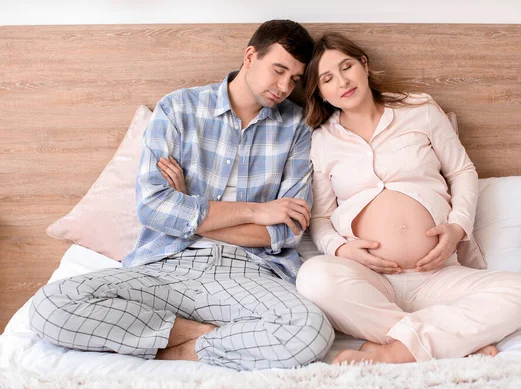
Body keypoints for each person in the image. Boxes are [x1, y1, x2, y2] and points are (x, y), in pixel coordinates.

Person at [28, 20, 334, 371]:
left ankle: (179, 350)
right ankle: (202, 334)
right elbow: (154, 208)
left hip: (248, 271)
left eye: (295, 79)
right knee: (49, 307)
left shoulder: (297, 127)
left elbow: (285, 230)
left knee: (310, 330)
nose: (284, 87)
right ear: (251, 56)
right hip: (166, 265)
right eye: (278, 71)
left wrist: (188, 207)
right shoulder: (178, 108)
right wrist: (257, 210)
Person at [295, 33, 521, 365]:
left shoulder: (419, 108)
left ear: (364, 65)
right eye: (327, 79)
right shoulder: (322, 141)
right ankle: (450, 343)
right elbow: (322, 218)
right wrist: (340, 249)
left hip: (440, 275)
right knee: (313, 277)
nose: (342, 81)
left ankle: (392, 350)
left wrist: (458, 227)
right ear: (320, 92)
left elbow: (462, 171)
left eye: (346, 66)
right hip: (371, 281)